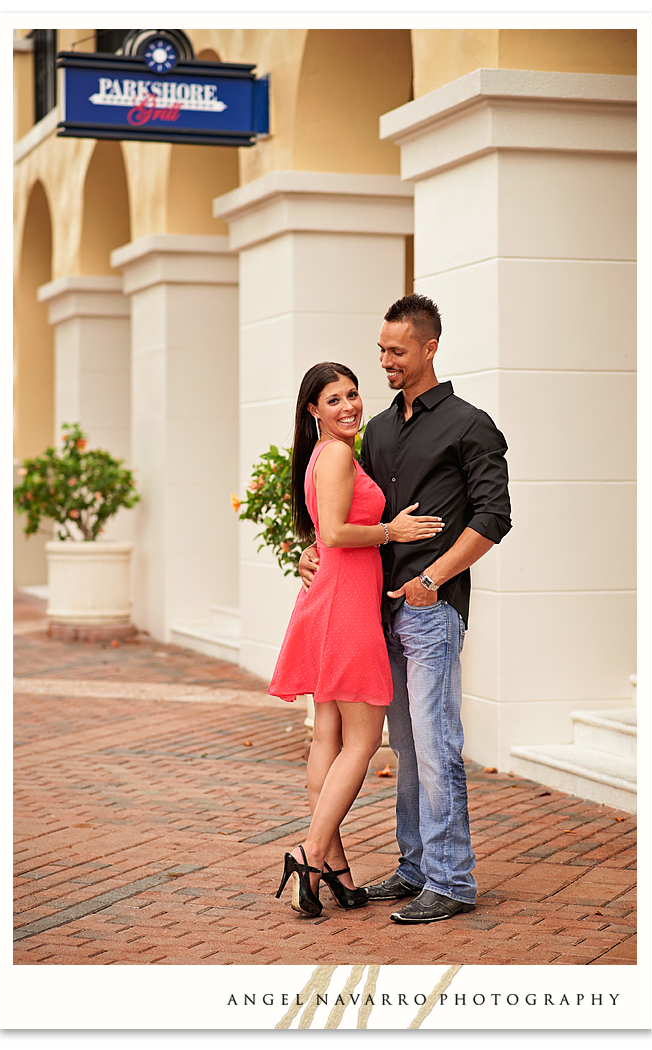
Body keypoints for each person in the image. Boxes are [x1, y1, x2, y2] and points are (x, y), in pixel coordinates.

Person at [299, 294, 512, 924]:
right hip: (374, 613)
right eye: (381, 351)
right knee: (409, 744)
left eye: (396, 351)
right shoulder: (380, 430)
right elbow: (347, 510)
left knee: (437, 740)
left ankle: (452, 879)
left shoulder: (471, 424)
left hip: (430, 608)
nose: (386, 362)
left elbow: (494, 517)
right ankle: (417, 867)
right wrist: (309, 553)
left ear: (429, 347)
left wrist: (434, 578)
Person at [269, 361, 443, 918]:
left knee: (328, 737)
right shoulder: (339, 454)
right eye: (334, 399)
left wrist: (314, 548)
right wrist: (392, 530)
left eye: (352, 394)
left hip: (330, 600)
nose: (349, 406)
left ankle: (336, 873)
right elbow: (339, 532)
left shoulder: (323, 454)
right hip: (345, 606)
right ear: (313, 410)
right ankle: (311, 851)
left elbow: (324, 532)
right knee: (362, 742)